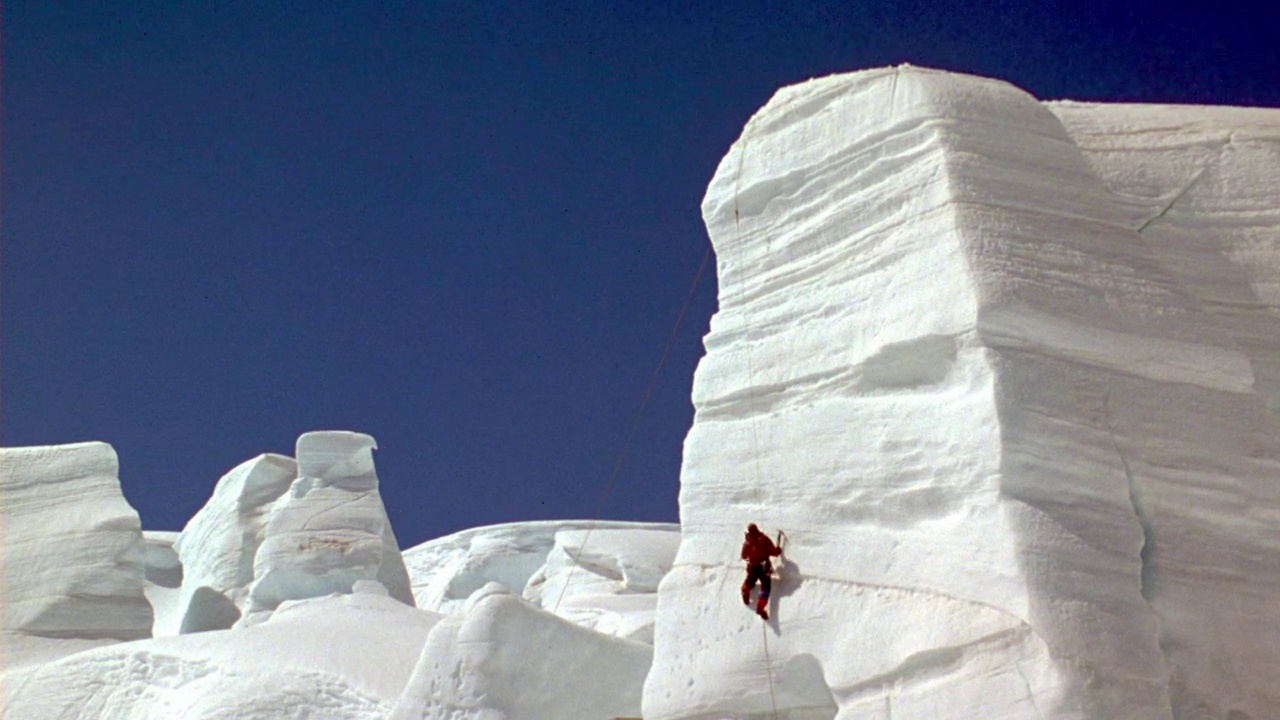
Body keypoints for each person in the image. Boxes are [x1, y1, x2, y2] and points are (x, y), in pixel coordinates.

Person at [740, 523, 781, 620]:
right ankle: (761, 606)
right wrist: (778, 550)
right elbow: (774, 552)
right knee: (766, 587)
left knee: (750, 581)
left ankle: (745, 590)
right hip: (764, 566)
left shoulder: (747, 542)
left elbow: (744, 556)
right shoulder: (764, 539)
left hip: (752, 567)